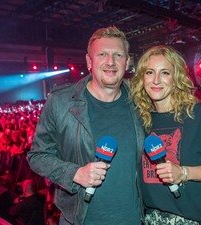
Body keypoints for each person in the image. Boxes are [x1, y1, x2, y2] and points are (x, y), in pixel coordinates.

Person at [28, 26, 145, 225]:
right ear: (89, 62)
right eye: (102, 54)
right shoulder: (61, 102)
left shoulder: (141, 100)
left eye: (118, 55)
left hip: (133, 219)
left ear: (126, 62)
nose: (111, 61)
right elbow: (37, 156)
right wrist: (74, 173)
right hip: (80, 220)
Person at [130, 45, 201, 225]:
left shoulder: (200, 114)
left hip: (191, 220)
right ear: (142, 78)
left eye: (164, 73)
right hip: (148, 219)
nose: (156, 80)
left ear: (176, 78)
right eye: (149, 72)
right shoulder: (139, 119)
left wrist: (184, 173)